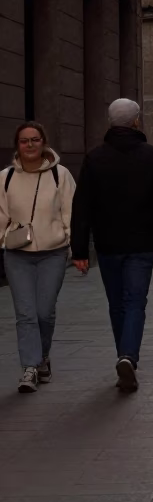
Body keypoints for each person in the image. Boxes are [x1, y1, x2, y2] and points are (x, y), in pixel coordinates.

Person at [71, 99, 153, 393]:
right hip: (142, 243)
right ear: (136, 122)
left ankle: (124, 356)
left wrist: (79, 249)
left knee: (117, 303)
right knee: (135, 301)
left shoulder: (95, 158)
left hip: (108, 243)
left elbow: (82, 206)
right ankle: (127, 356)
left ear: (110, 122)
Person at [0, 122, 76, 393]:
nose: (30, 145)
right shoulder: (5, 177)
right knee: (25, 313)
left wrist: (71, 246)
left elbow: (70, 213)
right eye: (24, 141)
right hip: (17, 254)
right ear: (17, 145)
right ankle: (30, 367)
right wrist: (3, 240)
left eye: (35, 140)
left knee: (44, 312)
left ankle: (43, 357)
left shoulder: (60, 175)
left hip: (52, 253)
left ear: (43, 142)